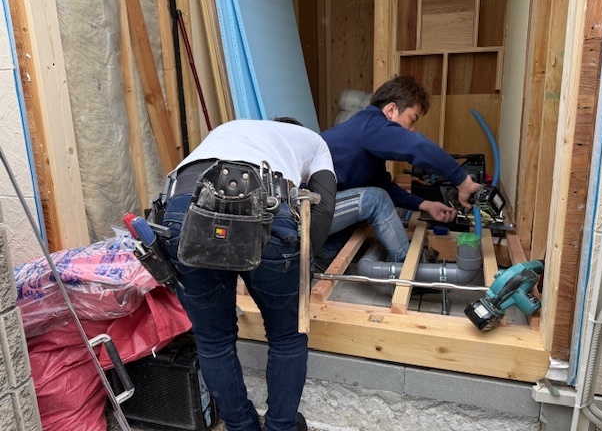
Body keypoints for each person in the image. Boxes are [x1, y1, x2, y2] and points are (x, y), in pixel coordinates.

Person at [160, 118, 336, 431]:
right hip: (266, 204)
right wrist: (300, 267)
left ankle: (241, 427)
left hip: (184, 208)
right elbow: (324, 210)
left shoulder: (229, 128)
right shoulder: (315, 142)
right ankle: (281, 427)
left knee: (213, 340)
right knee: (287, 337)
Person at [320, 74, 481, 262]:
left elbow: (383, 186)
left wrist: (425, 204)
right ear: (391, 110)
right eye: (412, 119)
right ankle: (410, 268)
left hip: (325, 214)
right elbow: (415, 145)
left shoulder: (368, 132)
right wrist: (462, 180)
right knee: (375, 199)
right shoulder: (371, 125)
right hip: (307, 213)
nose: (411, 129)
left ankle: (326, 252)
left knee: (376, 194)